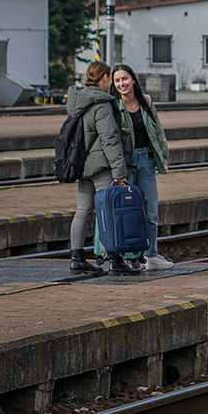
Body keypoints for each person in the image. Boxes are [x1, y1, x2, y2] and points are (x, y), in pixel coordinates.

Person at [65, 61, 138, 276]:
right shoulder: (101, 103)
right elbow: (110, 140)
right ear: (104, 78)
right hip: (101, 167)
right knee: (109, 212)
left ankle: (76, 259)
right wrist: (119, 172)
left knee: (82, 211)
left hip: (82, 165)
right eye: (110, 78)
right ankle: (115, 260)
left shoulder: (78, 101)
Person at [112, 64, 172, 271]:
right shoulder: (114, 106)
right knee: (129, 210)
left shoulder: (146, 101)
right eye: (117, 80)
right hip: (126, 164)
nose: (122, 83)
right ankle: (131, 257)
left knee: (151, 210)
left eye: (125, 78)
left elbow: (158, 130)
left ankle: (151, 255)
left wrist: (163, 156)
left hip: (146, 160)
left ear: (133, 80)